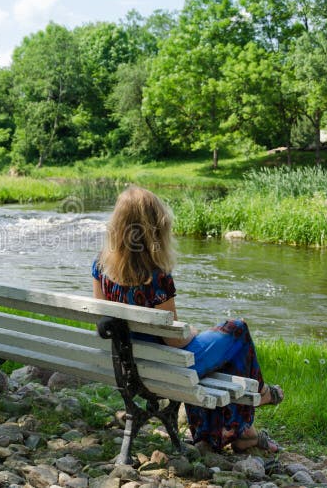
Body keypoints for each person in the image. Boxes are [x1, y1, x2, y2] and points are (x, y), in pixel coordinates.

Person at [91, 185, 284, 453]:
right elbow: (174, 341)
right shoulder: (156, 277)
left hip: (127, 365)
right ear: (155, 230)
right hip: (166, 366)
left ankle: (220, 435)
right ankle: (259, 394)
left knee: (219, 349)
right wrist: (190, 331)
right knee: (236, 329)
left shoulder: (101, 266)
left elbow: (103, 319)